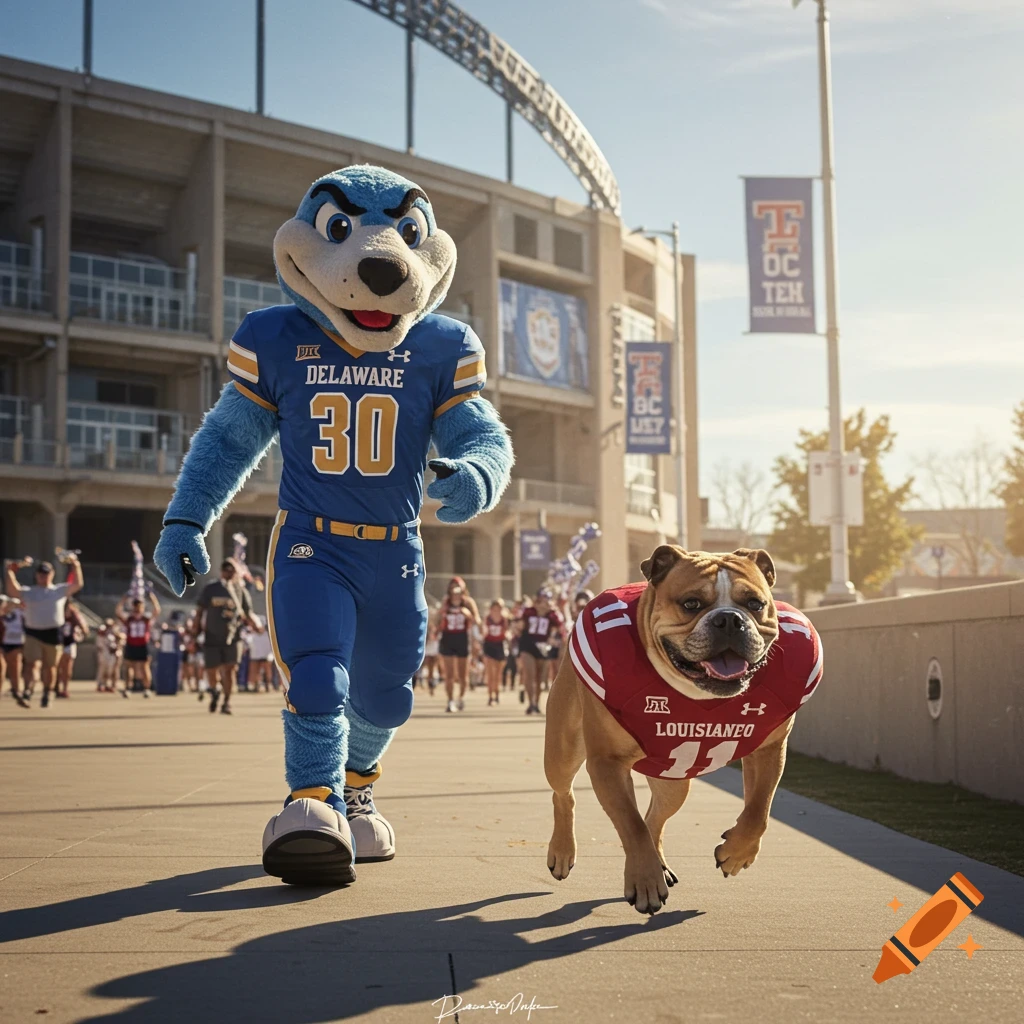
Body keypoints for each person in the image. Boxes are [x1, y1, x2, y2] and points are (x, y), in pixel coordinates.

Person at [5, 555, 84, 708]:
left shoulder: (58, 591)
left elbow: (77, 584)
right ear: (37, 575)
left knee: (50, 666)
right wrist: (10, 572)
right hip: (33, 632)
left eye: (46, 573)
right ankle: (28, 690)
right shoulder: (30, 592)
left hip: (53, 633)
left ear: (52, 574)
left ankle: (47, 691)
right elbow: (13, 590)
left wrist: (75, 564)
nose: (43, 576)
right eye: (41, 573)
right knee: (32, 664)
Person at [194, 560, 263, 715]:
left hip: (233, 637)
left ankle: (226, 702)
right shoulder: (211, 589)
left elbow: (248, 612)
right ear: (221, 571)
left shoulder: (240, 590)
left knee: (230, 669)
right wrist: (195, 632)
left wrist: (256, 626)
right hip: (211, 636)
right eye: (226, 570)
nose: (229, 573)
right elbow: (199, 612)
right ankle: (214, 690)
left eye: (232, 570)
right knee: (211, 670)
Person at [516, 588, 564, 715]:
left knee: (540, 678)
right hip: (528, 645)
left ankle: (536, 703)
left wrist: (552, 638)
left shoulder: (553, 615)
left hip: (543, 647)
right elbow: (519, 626)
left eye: (545, 600)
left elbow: (559, 629)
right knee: (529, 674)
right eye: (540, 600)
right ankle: (531, 703)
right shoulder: (528, 612)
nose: (542, 603)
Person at [439, 582, 479, 712]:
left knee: (463, 675)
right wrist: (441, 614)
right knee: (449, 674)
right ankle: (450, 700)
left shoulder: (467, 602)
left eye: (458, 590)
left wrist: (468, 615)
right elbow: (436, 619)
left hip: (462, 639)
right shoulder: (446, 603)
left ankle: (461, 697)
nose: (455, 594)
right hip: (448, 638)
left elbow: (477, 620)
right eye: (452, 589)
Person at [116, 591, 162, 698]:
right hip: (131, 644)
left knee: (144, 667)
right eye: (135, 606)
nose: (137, 608)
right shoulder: (129, 618)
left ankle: (146, 688)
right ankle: (128, 688)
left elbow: (157, 611)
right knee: (128, 667)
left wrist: (153, 598)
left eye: (139, 606)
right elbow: (118, 612)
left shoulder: (146, 618)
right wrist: (123, 600)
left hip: (142, 644)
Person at [56, 601, 89, 698]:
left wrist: (81, 633)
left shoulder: (74, 613)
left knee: (67, 667)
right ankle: (57, 686)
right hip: (57, 643)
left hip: (69, 642)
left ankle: (64, 688)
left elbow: (83, 627)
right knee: (58, 667)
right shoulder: (56, 609)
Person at [1, 594, 29, 708]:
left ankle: (17, 691)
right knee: (1, 666)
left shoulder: (21, 613)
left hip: (16, 643)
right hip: (2, 642)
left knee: (16, 667)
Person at [482, 599, 509, 706]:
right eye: (495, 608)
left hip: (500, 645)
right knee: (490, 672)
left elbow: (508, 631)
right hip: (489, 645)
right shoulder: (487, 618)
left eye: (499, 608)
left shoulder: (504, 619)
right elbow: (483, 630)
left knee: (498, 673)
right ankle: (490, 696)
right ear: (491, 609)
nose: (497, 611)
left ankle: (497, 692)